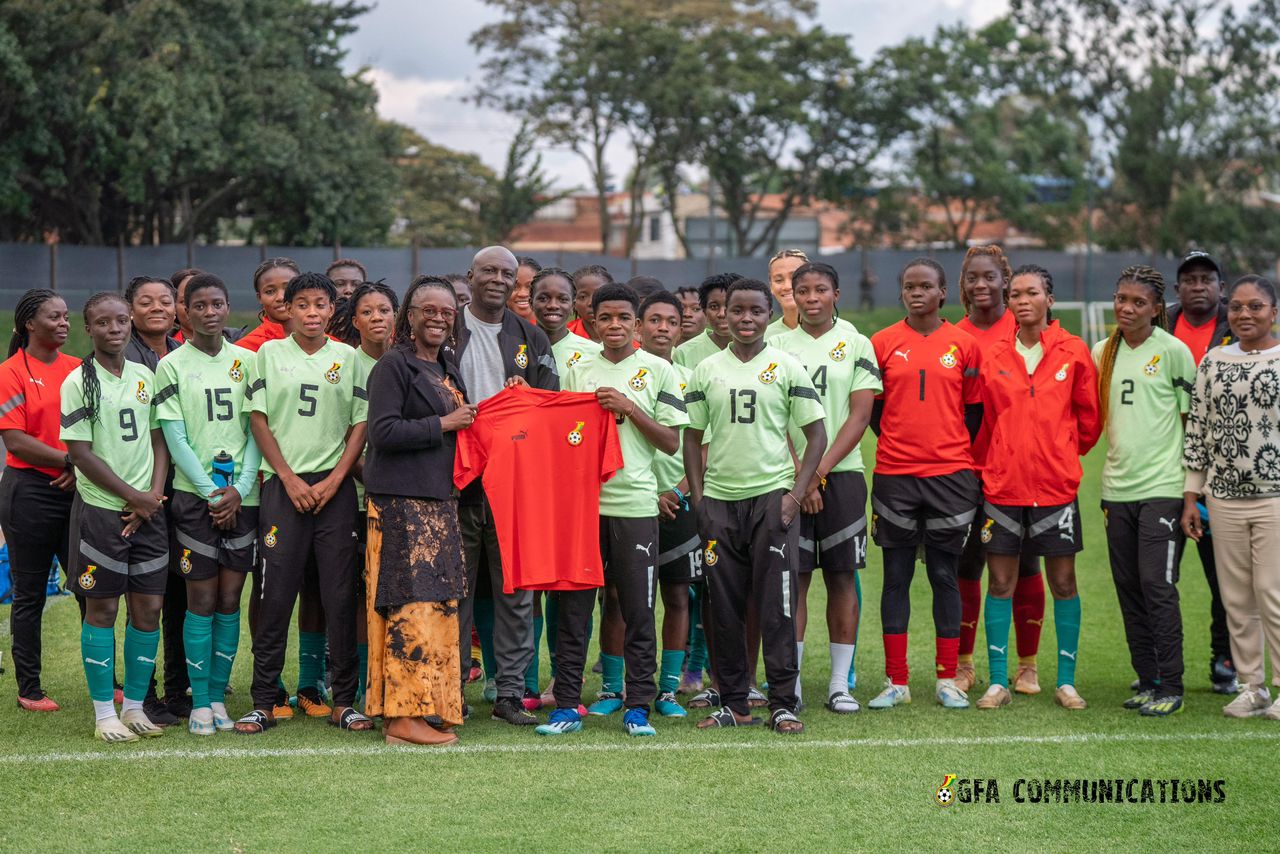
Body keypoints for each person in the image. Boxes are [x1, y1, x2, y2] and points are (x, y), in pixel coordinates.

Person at [684, 278, 827, 734]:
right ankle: (734, 703)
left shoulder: (786, 366)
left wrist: (795, 494)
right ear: (723, 315)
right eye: (736, 311)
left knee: (777, 604)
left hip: (772, 500)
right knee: (723, 606)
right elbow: (691, 437)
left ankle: (784, 703)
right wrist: (700, 496)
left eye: (755, 311)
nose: (746, 319)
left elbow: (817, 434)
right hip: (721, 503)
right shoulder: (707, 369)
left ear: (769, 315)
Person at [544, 283, 687, 738]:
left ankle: (638, 704)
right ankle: (567, 705)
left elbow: (670, 440)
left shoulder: (660, 370)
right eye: (605, 318)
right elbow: (558, 434)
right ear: (591, 322)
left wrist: (629, 409)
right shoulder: (577, 369)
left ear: (638, 324)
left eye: (624, 318)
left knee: (638, 608)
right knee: (574, 609)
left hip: (635, 504)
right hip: (583, 508)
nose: (614, 326)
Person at [236, 272, 370, 734]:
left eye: (320, 304)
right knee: (274, 596)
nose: (312, 312)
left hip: (333, 492)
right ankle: (263, 701)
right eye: (303, 305)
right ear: (286, 310)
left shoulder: (348, 358)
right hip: (282, 488)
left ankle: (344, 700)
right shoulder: (268, 355)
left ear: (333, 310)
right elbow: (258, 420)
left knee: (338, 595)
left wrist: (335, 480)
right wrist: (288, 477)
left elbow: (359, 425)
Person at [972, 265, 1100, 711]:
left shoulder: (1073, 351)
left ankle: (1065, 681)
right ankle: (996, 681)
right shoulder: (994, 354)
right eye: (1015, 294)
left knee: (1063, 583)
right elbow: (988, 421)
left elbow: (1088, 421)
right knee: (1001, 582)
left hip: (1055, 488)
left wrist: (1059, 453)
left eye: (1031, 293)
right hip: (1003, 487)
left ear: (1050, 298)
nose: (1022, 300)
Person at [364, 275, 476, 745]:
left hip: (438, 505)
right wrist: (444, 422)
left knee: (437, 611)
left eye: (446, 311)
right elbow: (382, 433)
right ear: (408, 316)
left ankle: (431, 706)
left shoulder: (446, 366)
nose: (437, 317)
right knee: (409, 610)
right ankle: (401, 719)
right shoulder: (394, 366)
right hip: (400, 506)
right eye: (427, 309)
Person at [867, 259, 982, 711]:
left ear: (942, 294)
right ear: (902, 293)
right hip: (895, 476)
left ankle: (948, 679)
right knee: (895, 577)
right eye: (909, 286)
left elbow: (973, 412)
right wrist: (903, 443)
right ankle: (896, 681)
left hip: (951, 477)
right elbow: (875, 409)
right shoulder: (882, 343)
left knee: (942, 575)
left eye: (926, 286)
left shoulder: (965, 345)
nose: (917, 293)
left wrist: (943, 448)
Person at [454, 246, 559, 727]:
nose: (498, 279)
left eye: (508, 274)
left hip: (514, 485)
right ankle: (448, 689)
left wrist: (528, 401)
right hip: (454, 483)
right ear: (470, 276)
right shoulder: (445, 326)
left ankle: (511, 694)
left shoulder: (531, 337)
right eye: (489, 271)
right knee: (452, 592)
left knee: (515, 593)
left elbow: (552, 409)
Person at [153, 273, 262, 735]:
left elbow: (258, 428)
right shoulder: (171, 365)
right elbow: (173, 438)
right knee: (199, 598)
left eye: (218, 303)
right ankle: (199, 700)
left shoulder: (248, 362)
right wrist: (210, 492)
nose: (210, 312)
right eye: (200, 306)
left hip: (244, 496)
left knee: (229, 597)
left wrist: (240, 485)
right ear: (186, 312)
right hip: (195, 499)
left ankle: (219, 697)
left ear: (227, 307)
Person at [61, 292, 171, 742]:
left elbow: (160, 438)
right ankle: (104, 712)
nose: (115, 328)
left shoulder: (146, 375)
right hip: (103, 513)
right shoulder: (79, 380)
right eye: (103, 322)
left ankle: (136, 708)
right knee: (102, 607)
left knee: (148, 608)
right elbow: (80, 454)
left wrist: (154, 495)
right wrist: (132, 497)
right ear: (89, 328)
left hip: (149, 512)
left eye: (121, 321)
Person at [774, 262, 880, 714]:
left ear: (837, 292)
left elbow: (860, 416)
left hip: (843, 475)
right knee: (793, 579)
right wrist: (802, 477)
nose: (811, 297)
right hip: (786, 477)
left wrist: (817, 474)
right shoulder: (775, 345)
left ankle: (839, 684)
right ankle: (792, 683)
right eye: (803, 290)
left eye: (820, 289)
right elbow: (774, 418)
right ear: (792, 296)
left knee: (841, 577)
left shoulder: (857, 343)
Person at [1094, 266, 1194, 716]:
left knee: (1158, 585)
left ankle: (1171, 684)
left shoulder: (1173, 352)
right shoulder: (1103, 352)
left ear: (1157, 308)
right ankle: (1148, 678)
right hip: (1116, 490)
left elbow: (1193, 424)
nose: (1126, 309)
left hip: (1164, 488)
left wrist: (1193, 491)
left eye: (1138, 302)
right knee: (1129, 586)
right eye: (1121, 299)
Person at [1183, 274, 1280, 720]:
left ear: (1273, 313)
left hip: (1273, 498)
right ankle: (1252, 686)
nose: (1244, 314)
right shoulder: (1213, 362)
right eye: (1237, 307)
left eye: (1255, 306)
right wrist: (1191, 496)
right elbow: (1197, 433)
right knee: (1236, 599)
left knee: (1271, 592)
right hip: (1221, 498)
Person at [954, 246, 1046, 696]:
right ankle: (965, 664)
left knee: (1026, 565)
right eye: (972, 277)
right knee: (968, 565)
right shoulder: (955, 335)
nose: (981, 286)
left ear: (1005, 281)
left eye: (990, 277)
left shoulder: (1027, 330)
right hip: (967, 472)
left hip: (1019, 473)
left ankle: (1027, 666)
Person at [0, 289, 80, 712]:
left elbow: (95, 430)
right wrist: (72, 461)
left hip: (78, 489)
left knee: (90, 588)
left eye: (67, 316)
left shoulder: (79, 369)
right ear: (30, 323)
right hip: (28, 491)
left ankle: (107, 679)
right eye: (55, 317)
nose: (65, 323)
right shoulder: (11, 372)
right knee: (30, 594)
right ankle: (29, 687)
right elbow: (15, 440)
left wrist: (79, 468)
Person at [1168, 250, 1239, 694]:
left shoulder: (1240, 328)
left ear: (1221, 287)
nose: (1199, 286)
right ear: (1177, 289)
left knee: (1226, 578)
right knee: (1158, 579)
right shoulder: (1157, 324)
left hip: (1220, 475)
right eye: (1190, 279)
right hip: (1163, 471)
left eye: (1206, 279)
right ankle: (1160, 661)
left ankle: (1225, 659)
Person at [332, 281, 400, 707]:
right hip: (357, 496)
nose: (377, 317)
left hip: (399, 498)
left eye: (384, 310)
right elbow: (340, 433)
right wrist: (369, 479)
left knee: (395, 593)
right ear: (354, 321)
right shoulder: (343, 364)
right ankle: (359, 680)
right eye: (368, 311)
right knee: (358, 593)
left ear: (397, 316)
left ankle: (392, 675)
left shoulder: (407, 362)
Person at [121, 276, 185, 724]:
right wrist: (142, 493)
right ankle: (141, 695)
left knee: (179, 595)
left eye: (166, 300)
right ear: (130, 310)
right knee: (142, 598)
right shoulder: (120, 357)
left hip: (182, 494)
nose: (158, 307)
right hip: (138, 494)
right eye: (146, 301)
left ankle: (179, 688)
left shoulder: (185, 355)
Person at [638, 290, 702, 718]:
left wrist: (677, 492)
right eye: (655, 320)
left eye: (671, 321)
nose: (663, 328)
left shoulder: (693, 377)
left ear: (681, 328)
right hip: (633, 502)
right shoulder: (628, 373)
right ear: (640, 325)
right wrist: (648, 494)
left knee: (678, 595)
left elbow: (705, 444)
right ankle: (623, 685)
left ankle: (668, 688)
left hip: (679, 503)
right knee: (627, 601)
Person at [533, 267, 602, 376]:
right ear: (530, 302)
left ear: (572, 306)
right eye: (543, 298)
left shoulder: (595, 353)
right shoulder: (517, 347)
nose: (553, 305)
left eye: (563, 299)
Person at [673, 273, 740, 370]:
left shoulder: (762, 350)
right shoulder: (684, 353)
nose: (721, 313)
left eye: (729, 305)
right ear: (705, 312)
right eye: (714, 307)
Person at [237, 258, 300, 354]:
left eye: (288, 288)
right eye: (270, 291)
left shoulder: (325, 342)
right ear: (259, 297)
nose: (280, 297)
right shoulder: (244, 349)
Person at [764, 249, 808, 340]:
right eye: (779, 280)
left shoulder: (842, 331)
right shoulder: (764, 339)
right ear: (771, 287)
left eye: (794, 278)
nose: (787, 286)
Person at [566, 264, 612, 342]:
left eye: (598, 295)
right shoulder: (564, 337)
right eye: (583, 297)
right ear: (573, 303)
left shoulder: (631, 339)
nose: (591, 303)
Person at [169, 268, 202, 343]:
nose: (194, 309)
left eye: (201, 301)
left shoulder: (233, 343)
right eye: (185, 301)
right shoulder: (162, 348)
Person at [509, 256, 541, 325]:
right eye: (514, 287)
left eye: (530, 287)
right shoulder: (491, 331)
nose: (522, 294)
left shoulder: (556, 333)